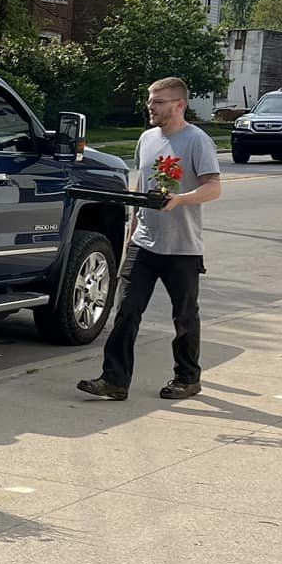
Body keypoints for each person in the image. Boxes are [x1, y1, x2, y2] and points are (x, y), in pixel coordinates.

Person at [78, 76, 223, 403]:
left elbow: (214, 187)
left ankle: (187, 378)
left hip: (182, 247)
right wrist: (131, 235)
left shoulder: (196, 141)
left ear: (179, 105)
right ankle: (114, 380)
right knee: (126, 310)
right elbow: (140, 189)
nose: (150, 106)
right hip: (144, 243)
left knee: (184, 316)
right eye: (150, 100)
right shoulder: (146, 139)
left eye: (157, 101)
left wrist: (180, 199)